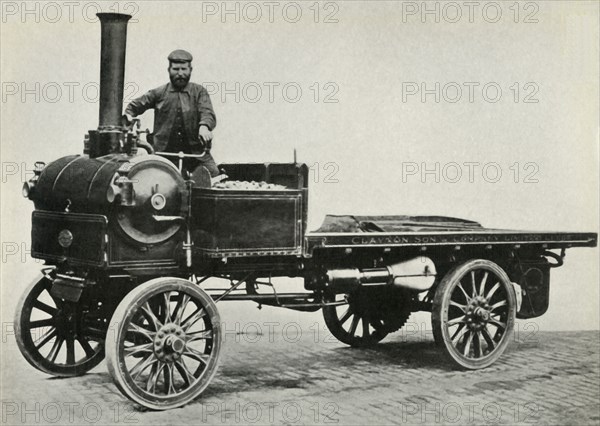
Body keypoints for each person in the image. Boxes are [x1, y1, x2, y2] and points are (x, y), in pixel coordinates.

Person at [124, 49, 219, 177]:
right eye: (176, 69)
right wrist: (128, 119)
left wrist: (204, 126)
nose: (180, 73)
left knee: (214, 175)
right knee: (152, 181)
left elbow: (207, 112)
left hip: (196, 154)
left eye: (184, 69)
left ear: (190, 70)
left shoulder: (199, 92)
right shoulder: (158, 93)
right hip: (163, 154)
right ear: (169, 70)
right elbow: (133, 107)